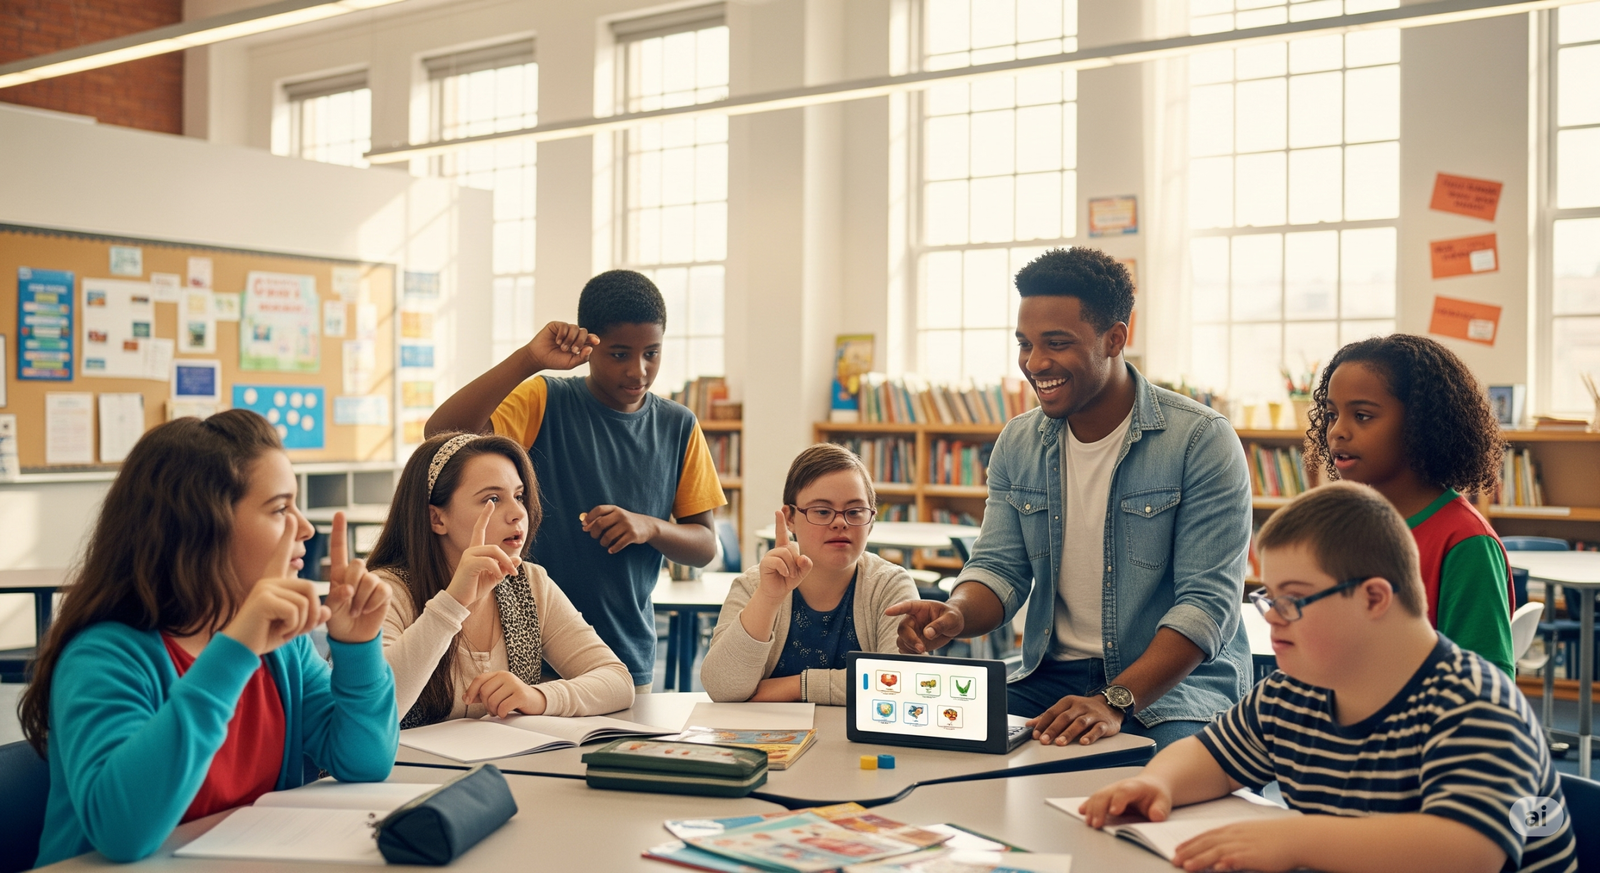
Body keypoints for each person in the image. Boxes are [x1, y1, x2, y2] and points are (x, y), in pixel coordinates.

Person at [1080, 482, 1576, 873]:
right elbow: (1211, 756)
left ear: (1374, 598)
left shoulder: (1476, 705)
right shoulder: (1296, 692)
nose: (1273, 616)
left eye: (1292, 598)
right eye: (1268, 597)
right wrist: (1159, 783)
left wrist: (1294, 841)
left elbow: (1467, 853)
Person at [887, 247, 1252, 751]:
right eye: (1025, 344)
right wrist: (956, 614)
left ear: (1116, 338)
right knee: (935, 748)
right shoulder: (1018, 441)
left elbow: (1206, 606)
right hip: (1051, 677)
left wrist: (1115, 700)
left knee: (1163, 781)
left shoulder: (1200, 441)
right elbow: (997, 567)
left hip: (1177, 688)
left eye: (1056, 343)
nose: (1035, 364)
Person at [20, 411, 397, 866]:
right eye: (280, 508)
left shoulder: (284, 647)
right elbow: (123, 833)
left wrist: (358, 648)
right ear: (204, 526)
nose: (305, 528)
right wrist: (234, 653)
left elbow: (365, 761)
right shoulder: (105, 656)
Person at [426, 270, 726, 691]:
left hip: (624, 654)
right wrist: (530, 359)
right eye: (620, 354)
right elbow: (442, 435)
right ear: (590, 347)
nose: (638, 371)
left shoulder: (679, 426)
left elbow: (705, 547)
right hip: (525, 654)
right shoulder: (545, 399)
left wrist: (650, 527)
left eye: (652, 353)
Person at [367, 431, 634, 723]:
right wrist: (453, 602)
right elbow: (373, 711)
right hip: (406, 769)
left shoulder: (528, 583)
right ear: (437, 519)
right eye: (492, 499)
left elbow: (618, 681)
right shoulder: (386, 591)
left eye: (519, 496)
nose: (517, 512)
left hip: (503, 767)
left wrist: (539, 697)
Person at [1305, 334, 1515, 675]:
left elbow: (1487, 690)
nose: (1337, 431)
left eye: (1362, 415)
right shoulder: (1343, 530)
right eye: (1331, 414)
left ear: (1421, 424)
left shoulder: (1466, 543)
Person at [701, 443, 918, 703]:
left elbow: (902, 684)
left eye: (855, 511)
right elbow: (722, 688)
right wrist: (769, 597)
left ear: (871, 520)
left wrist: (796, 686)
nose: (840, 522)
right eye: (822, 511)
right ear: (790, 518)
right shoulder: (754, 585)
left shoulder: (889, 585)